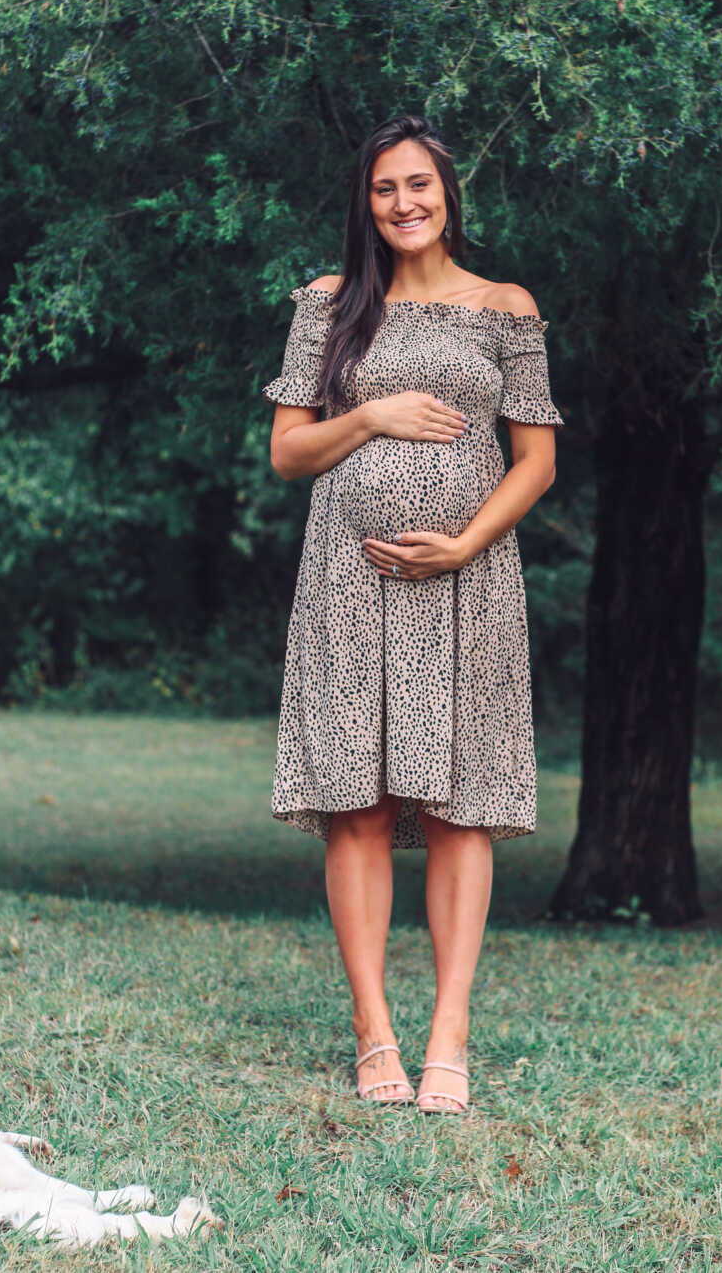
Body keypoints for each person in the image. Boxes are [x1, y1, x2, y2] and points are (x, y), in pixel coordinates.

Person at [262, 113, 564, 1114]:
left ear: (449, 195)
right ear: (367, 200)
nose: (404, 203)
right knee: (355, 803)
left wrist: (468, 541)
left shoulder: (505, 307)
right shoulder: (329, 304)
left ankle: (448, 1040)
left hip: (469, 583)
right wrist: (371, 416)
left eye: (420, 186)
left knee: (458, 807)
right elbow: (289, 454)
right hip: (347, 585)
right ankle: (373, 1035)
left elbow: (537, 461)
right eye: (386, 187)